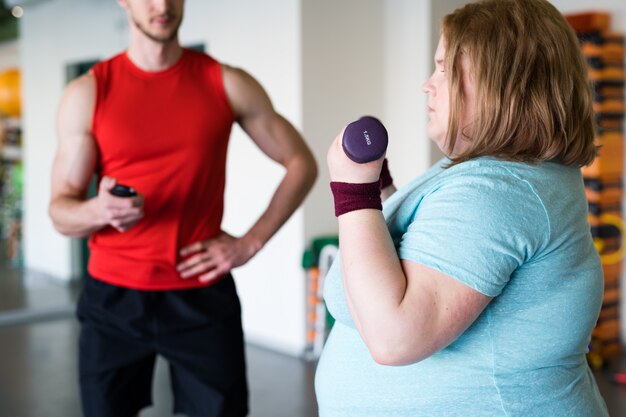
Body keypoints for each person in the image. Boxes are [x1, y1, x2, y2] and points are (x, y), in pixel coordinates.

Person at [315, 0, 609, 416]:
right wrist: (382, 190)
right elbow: (433, 254)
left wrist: (353, 192)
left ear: (502, 82)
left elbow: (394, 337)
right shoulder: (504, 175)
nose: (427, 84)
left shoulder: (498, 191)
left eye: (443, 68)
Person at [48, 0, 317, 416]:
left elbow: (302, 162)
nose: (162, 5)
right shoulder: (88, 92)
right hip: (114, 299)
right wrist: (100, 210)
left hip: (201, 294)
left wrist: (250, 243)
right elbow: (60, 211)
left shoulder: (226, 82)